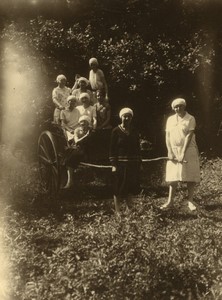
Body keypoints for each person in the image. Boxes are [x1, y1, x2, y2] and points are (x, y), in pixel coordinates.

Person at [161, 98, 200, 211]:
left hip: (188, 149)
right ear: (173, 108)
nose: (178, 108)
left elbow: (189, 135)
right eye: (176, 107)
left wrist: (183, 153)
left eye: (180, 106)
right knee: (173, 177)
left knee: (190, 176)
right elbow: (167, 136)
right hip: (173, 150)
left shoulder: (190, 118)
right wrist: (170, 151)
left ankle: (190, 201)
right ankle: (170, 201)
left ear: (184, 106)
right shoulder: (170, 119)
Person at [109, 108, 141, 213]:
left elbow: (137, 147)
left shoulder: (135, 130)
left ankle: (129, 208)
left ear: (131, 118)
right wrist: (114, 165)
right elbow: (112, 149)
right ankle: (117, 210)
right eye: (124, 116)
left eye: (129, 116)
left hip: (133, 163)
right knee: (118, 187)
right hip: (120, 164)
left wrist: (140, 162)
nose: (126, 118)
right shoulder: (116, 131)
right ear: (121, 117)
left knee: (130, 186)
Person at [63, 115, 92, 188]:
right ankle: (70, 181)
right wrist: (86, 136)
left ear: (88, 124)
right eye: (81, 122)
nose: (82, 124)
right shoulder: (77, 130)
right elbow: (77, 141)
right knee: (70, 159)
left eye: (85, 123)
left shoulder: (90, 130)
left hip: (88, 149)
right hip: (78, 148)